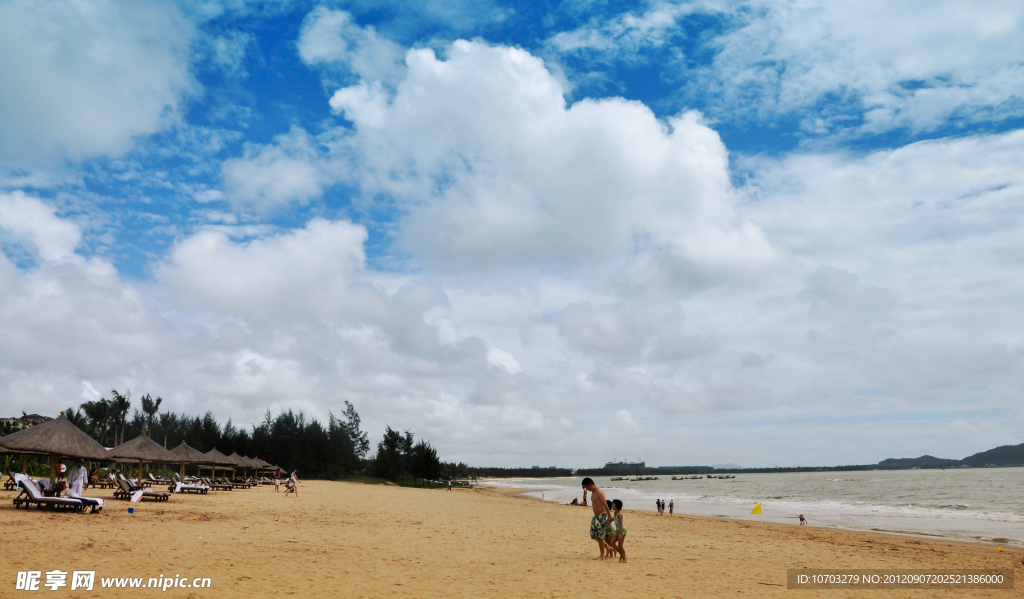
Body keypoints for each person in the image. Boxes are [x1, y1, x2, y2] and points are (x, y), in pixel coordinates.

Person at [582, 478, 614, 559]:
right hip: (596, 516)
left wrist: (609, 516)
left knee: (600, 536)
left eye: (587, 487)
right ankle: (608, 547)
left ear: (591, 484)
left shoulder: (599, 492)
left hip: (602, 516)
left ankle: (602, 555)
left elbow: (605, 504)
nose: (587, 489)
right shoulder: (593, 492)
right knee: (594, 534)